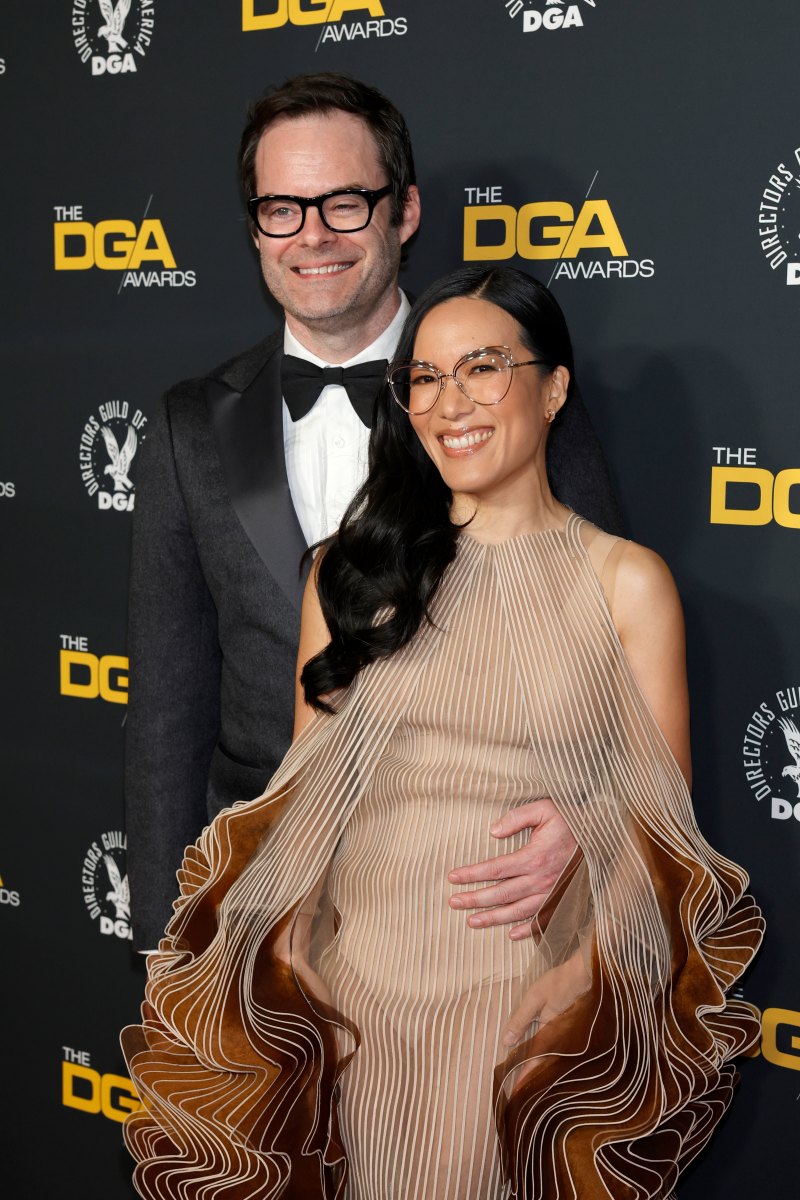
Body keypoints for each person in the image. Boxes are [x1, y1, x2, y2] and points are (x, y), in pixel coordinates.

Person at [122, 266, 762, 1200]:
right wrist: (289, 974)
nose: (447, 403)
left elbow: (664, 832)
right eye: (423, 377)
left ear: (553, 388)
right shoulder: (346, 574)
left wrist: (584, 974)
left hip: (516, 999)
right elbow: (300, 808)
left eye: (483, 368)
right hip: (351, 995)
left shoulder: (628, 584)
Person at [125, 73, 622, 952]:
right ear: (254, 226)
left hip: (484, 890)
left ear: (405, 211)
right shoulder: (185, 426)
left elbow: (606, 637)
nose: (312, 234)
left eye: (345, 202)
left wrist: (586, 812)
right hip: (266, 896)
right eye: (281, 206)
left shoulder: (514, 390)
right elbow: (170, 699)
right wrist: (169, 940)